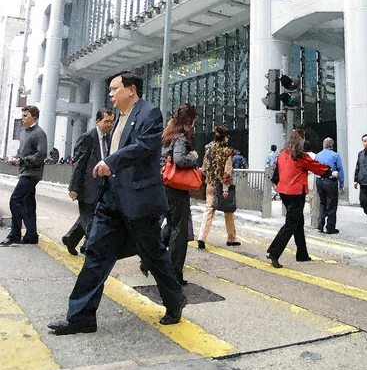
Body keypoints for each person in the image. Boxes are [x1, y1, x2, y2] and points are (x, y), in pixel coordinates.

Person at [48, 71, 186, 335]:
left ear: (131, 90)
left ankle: (174, 299)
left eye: (114, 89)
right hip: (110, 200)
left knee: (154, 255)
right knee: (96, 255)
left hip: (138, 201)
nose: (110, 94)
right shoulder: (118, 119)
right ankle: (81, 317)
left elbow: (144, 148)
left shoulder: (149, 114)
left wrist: (110, 163)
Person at [266, 130, 331, 268]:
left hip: (283, 191)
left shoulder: (283, 153)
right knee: (291, 223)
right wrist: (329, 171)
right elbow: (315, 167)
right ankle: (274, 251)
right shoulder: (300, 155)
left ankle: (302, 254)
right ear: (300, 140)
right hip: (296, 192)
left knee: (298, 222)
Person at [61, 108, 115, 256]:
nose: (109, 125)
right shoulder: (87, 138)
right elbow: (79, 164)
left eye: (112, 121)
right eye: (106, 121)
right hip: (88, 186)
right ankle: (89, 248)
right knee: (90, 219)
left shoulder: (110, 139)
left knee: (90, 217)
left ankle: (71, 239)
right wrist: (74, 188)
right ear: (98, 121)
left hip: (104, 187)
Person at [161, 104, 198, 286]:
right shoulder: (181, 138)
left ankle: (151, 259)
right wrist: (194, 157)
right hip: (176, 188)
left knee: (171, 225)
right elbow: (181, 159)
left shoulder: (168, 135)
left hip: (165, 186)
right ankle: (175, 272)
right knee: (179, 230)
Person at [1, 106, 47, 246]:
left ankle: (15, 234)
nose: (23, 118)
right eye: (23, 115)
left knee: (15, 200)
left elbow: (41, 154)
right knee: (28, 204)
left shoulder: (39, 133)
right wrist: (16, 158)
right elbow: (23, 152)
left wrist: (22, 161)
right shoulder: (24, 132)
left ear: (34, 117)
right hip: (24, 171)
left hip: (31, 173)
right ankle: (31, 235)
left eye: (25, 115)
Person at [197, 126, 240, 250]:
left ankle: (201, 238)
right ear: (225, 137)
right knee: (228, 211)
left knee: (209, 210)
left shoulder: (209, 149)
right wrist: (225, 188)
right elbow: (227, 172)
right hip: (222, 186)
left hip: (210, 184)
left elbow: (204, 168)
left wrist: (211, 178)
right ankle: (231, 238)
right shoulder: (227, 151)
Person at [315, 138, 345, 234]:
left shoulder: (318, 155)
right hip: (330, 181)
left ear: (324, 145)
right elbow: (340, 170)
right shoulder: (335, 155)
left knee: (322, 202)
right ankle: (330, 227)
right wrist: (342, 184)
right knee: (331, 204)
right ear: (332, 145)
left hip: (319, 181)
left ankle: (320, 223)